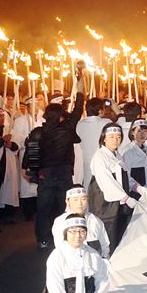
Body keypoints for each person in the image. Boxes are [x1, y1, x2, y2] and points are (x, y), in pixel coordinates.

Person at [36, 69, 84, 250]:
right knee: (64, 206)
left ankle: (43, 239)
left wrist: (35, 173)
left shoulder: (38, 132)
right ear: (60, 115)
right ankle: (64, 236)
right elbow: (78, 108)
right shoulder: (68, 129)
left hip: (46, 174)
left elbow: (32, 156)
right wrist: (80, 86)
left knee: (43, 209)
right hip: (63, 172)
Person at [88, 123, 147, 253]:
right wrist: (126, 198)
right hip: (105, 203)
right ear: (104, 138)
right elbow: (106, 181)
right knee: (108, 234)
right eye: (111, 137)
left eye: (118, 137)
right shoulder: (100, 157)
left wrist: (137, 187)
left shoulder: (116, 154)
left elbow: (125, 175)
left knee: (119, 232)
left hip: (118, 202)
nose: (115, 140)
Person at [40, 213, 109, 293]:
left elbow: (102, 281)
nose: (78, 236)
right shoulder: (56, 257)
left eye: (82, 231)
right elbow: (56, 289)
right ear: (66, 233)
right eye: (72, 231)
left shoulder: (93, 255)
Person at [52, 186, 110, 259]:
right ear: (67, 201)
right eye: (75, 199)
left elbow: (105, 246)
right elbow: (60, 248)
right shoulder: (60, 222)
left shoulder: (95, 221)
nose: (80, 203)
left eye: (83, 199)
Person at [0, 108, 20, 222]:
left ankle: (7, 214)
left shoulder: (9, 129)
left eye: (2, 116)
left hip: (8, 163)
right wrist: (2, 140)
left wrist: (11, 144)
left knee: (8, 189)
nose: (1, 118)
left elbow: (17, 146)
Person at [76, 98, 112, 189]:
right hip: (103, 160)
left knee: (88, 187)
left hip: (87, 160)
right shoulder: (107, 123)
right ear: (100, 110)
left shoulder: (79, 124)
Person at [122, 119, 147, 186]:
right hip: (134, 191)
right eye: (139, 131)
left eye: (145, 131)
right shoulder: (127, 151)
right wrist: (136, 188)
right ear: (132, 132)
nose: (142, 134)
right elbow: (126, 175)